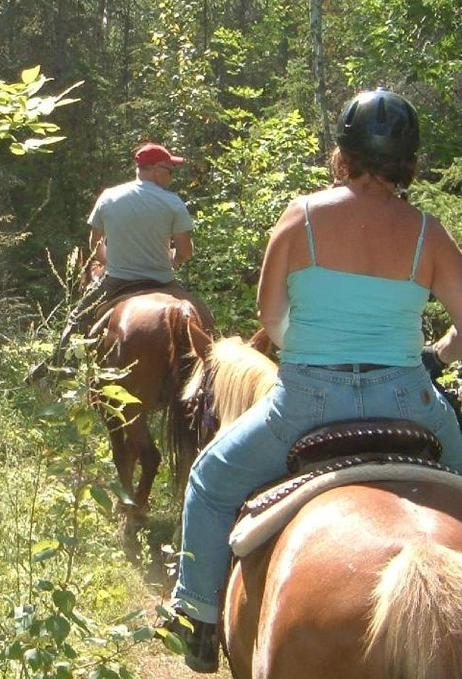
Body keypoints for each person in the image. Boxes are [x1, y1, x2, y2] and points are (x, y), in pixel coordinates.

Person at [165, 88, 462, 673]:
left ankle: (195, 618)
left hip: (305, 401)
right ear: (409, 160)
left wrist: (306, 344)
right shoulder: (431, 233)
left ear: (343, 153)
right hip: (409, 399)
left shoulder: (302, 216)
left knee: (210, 480)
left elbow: (270, 315)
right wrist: (438, 355)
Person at [31, 141, 195, 378]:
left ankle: (56, 369)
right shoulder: (173, 203)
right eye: (170, 170)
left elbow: (95, 244)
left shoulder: (108, 197)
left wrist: (112, 261)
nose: (171, 176)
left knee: (78, 318)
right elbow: (185, 252)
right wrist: (171, 260)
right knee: (201, 318)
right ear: (157, 169)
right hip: (162, 281)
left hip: (118, 281)